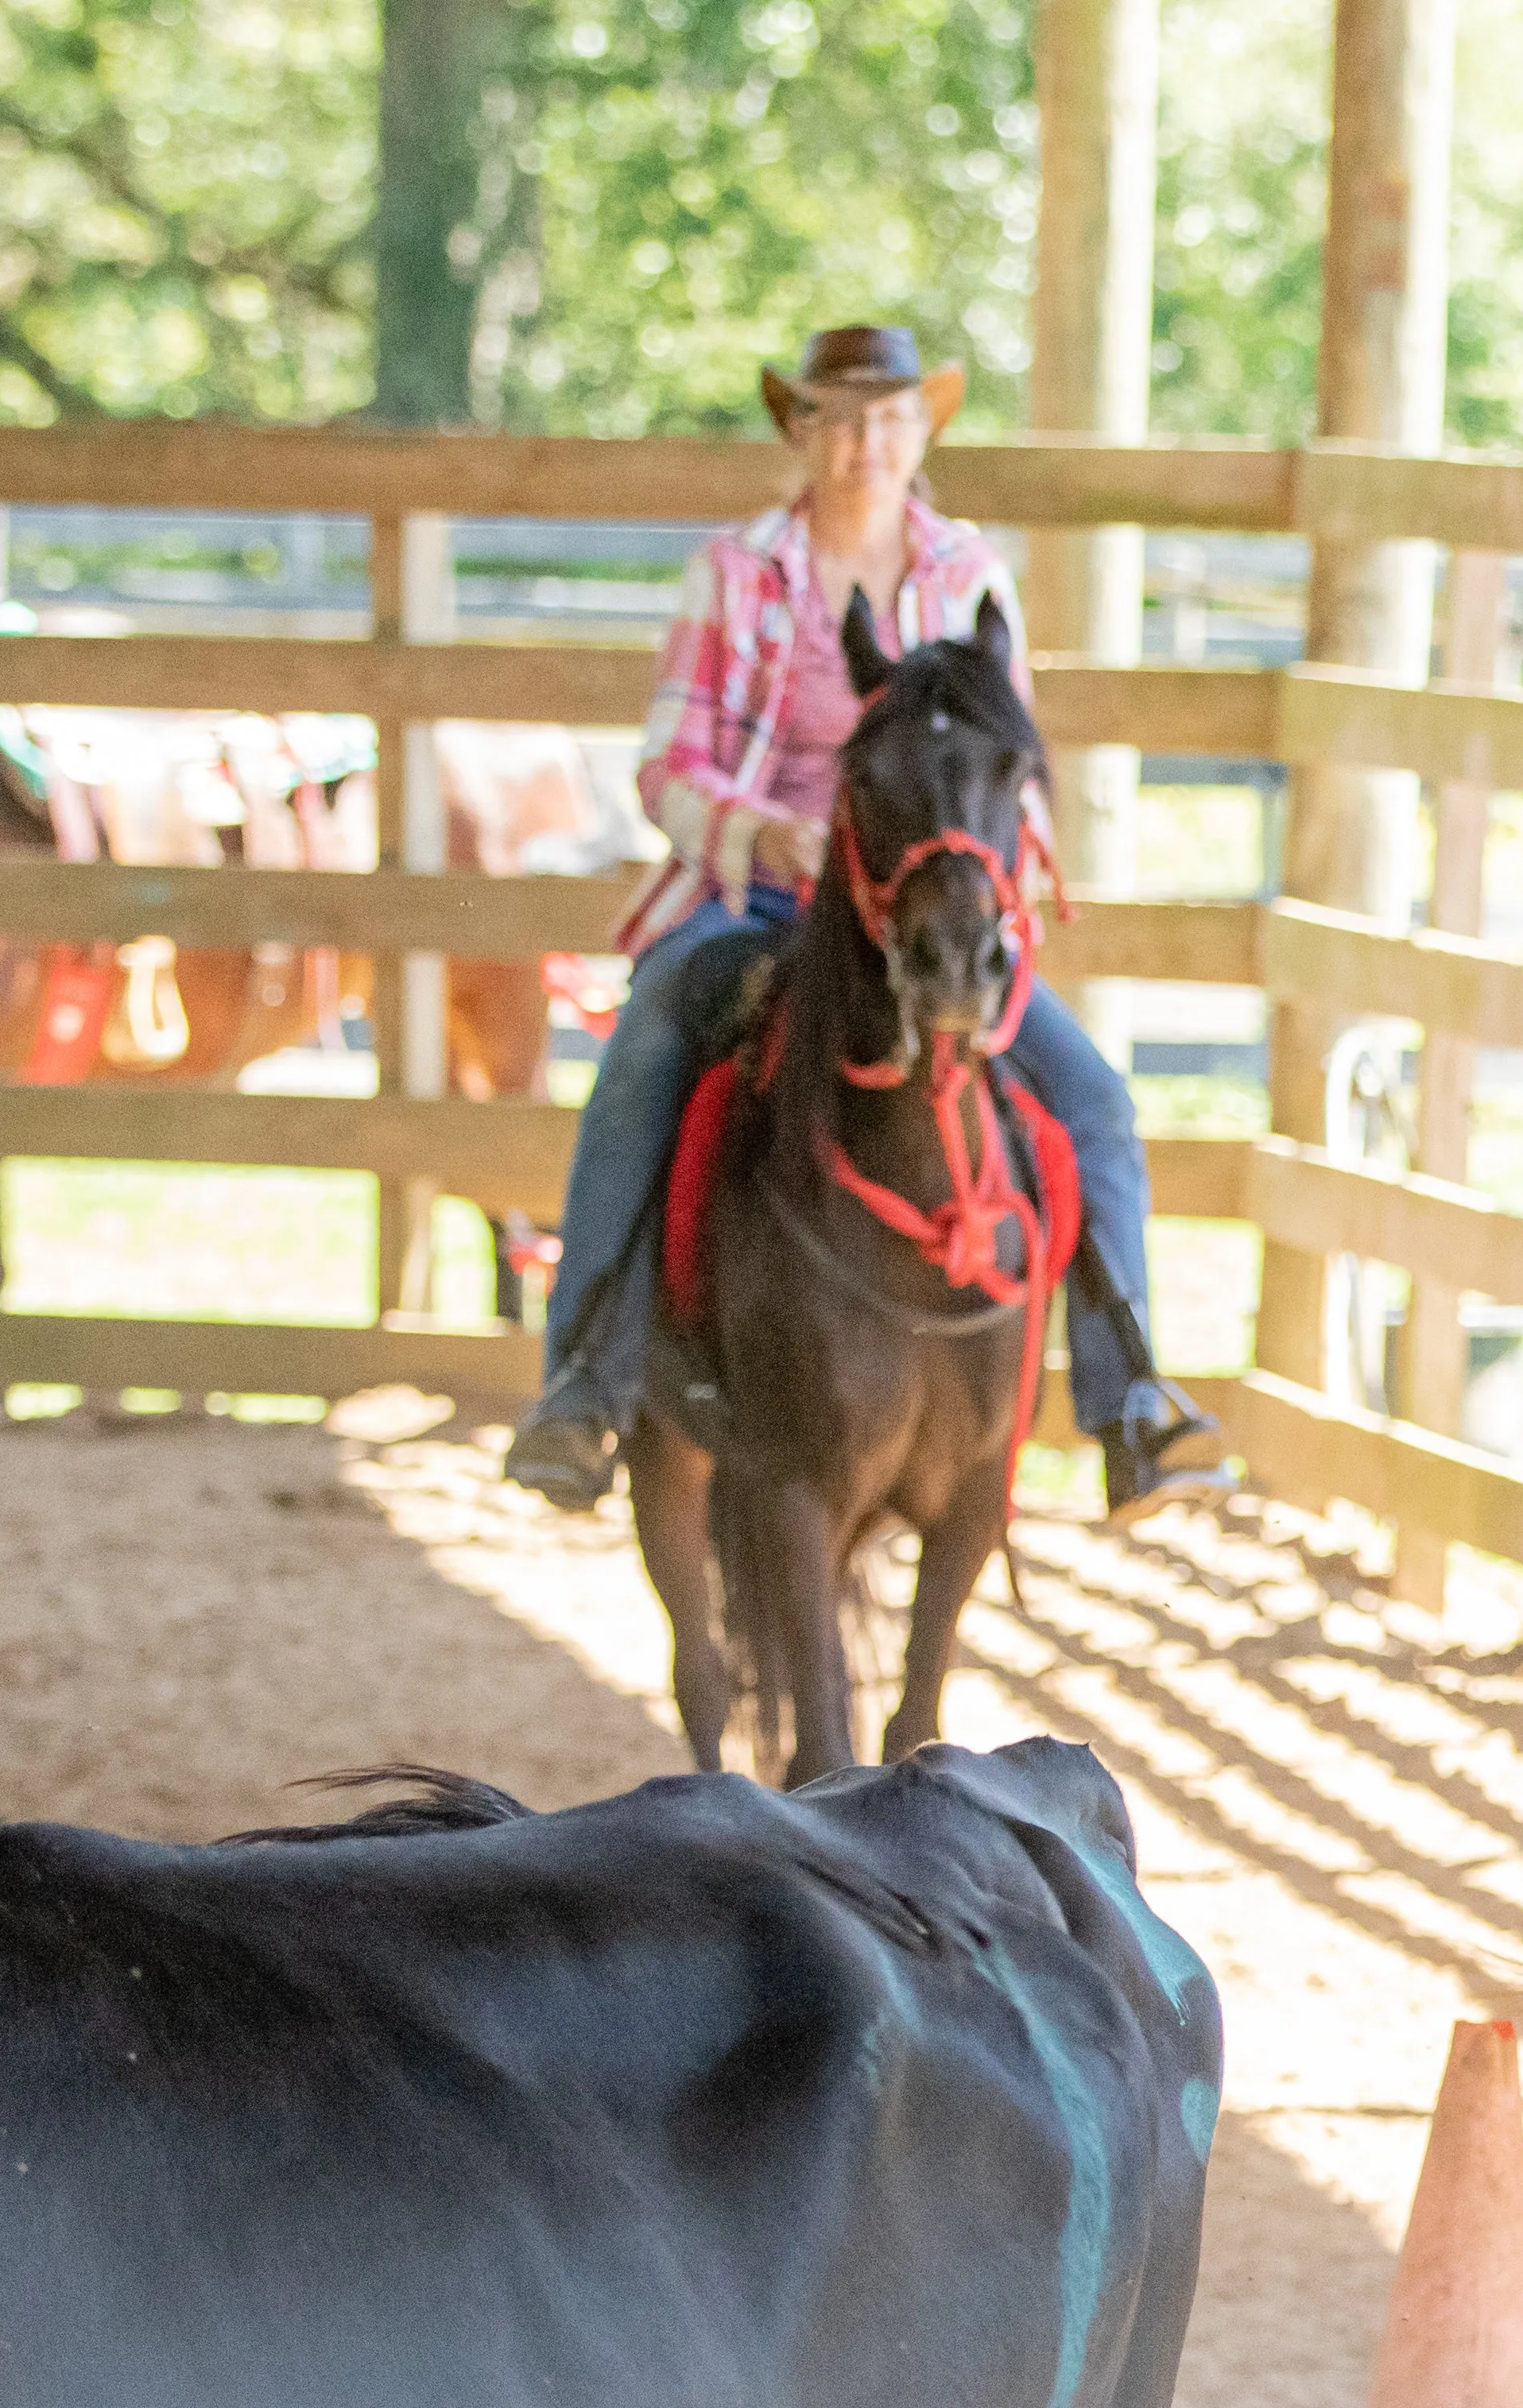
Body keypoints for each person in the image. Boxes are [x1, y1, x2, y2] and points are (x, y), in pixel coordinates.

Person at [502, 325, 1230, 1520]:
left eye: (887, 419)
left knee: (1089, 1094)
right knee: (643, 1061)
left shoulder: (969, 573)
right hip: (757, 897)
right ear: (799, 431)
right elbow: (668, 767)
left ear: (922, 431)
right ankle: (583, 1384)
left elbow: (1010, 763)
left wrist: (1001, 870)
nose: (862, 444)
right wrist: (759, 832)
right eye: (835, 418)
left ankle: (1131, 1398)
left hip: (925, 911)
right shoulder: (737, 574)